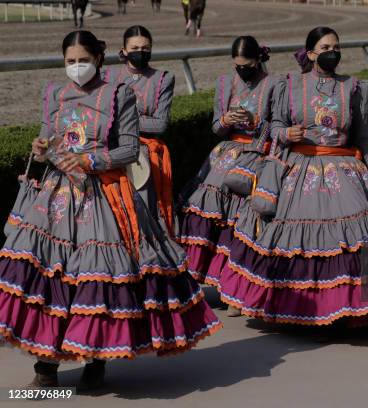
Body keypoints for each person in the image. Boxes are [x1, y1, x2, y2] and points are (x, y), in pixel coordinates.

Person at [0, 30, 220, 390]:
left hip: (104, 196)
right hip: (56, 198)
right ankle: (47, 363)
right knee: (49, 273)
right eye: (70, 62)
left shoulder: (119, 95)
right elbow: (46, 136)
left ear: (99, 59)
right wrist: (41, 147)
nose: (76, 67)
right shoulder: (54, 94)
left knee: (97, 277)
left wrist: (87, 160)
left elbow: (130, 150)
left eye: (82, 60)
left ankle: (97, 358)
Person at [211, 27, 368, 326]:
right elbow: (272, 126)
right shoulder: (290, 85)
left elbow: (362, 134)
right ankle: (303, 308)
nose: (333, 52)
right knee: (297, 242)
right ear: (312, 53)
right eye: (326, 46)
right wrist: (285, 133)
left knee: (353, 241)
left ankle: (346, 309)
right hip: (300, 167)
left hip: (343, 170)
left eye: (337, 46)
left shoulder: (352, 87)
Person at [178, 36, 277, 317]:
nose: (241, 70)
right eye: (237, 66)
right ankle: (205, 280)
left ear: (258, 60)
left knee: (242, 221)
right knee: (207, 213)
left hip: (256, 154)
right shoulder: (225, 83)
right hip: (226, 152)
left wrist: (255, 122)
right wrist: (225, 121)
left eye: (246, 65)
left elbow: (279, 123)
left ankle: (235, 289)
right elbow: (215, 127)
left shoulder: (273, 84)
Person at [103, 26, 177, 237]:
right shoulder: (107, 75)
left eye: (146, 48)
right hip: (110, 144)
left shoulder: (163, 78)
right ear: (124, 50)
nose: (140, 51)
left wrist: (122, 122)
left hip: (143, 147)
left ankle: (146, 239)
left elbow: (160, 124)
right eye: (134, 47)